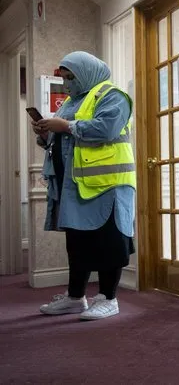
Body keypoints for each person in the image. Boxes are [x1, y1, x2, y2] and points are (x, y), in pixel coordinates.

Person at [32, 51, 136, 320]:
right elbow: (63, 138)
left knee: (109, 242)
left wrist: (65, 125)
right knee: (77, 243)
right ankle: (76, 297)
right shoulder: (70, 102)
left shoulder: (112, 95)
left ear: (86, 73)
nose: (67, 84)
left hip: (107, 185)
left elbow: (106, 129)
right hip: (75, 185)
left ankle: (108, 299)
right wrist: (47, 134)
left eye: (71, 77)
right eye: (65, 78)